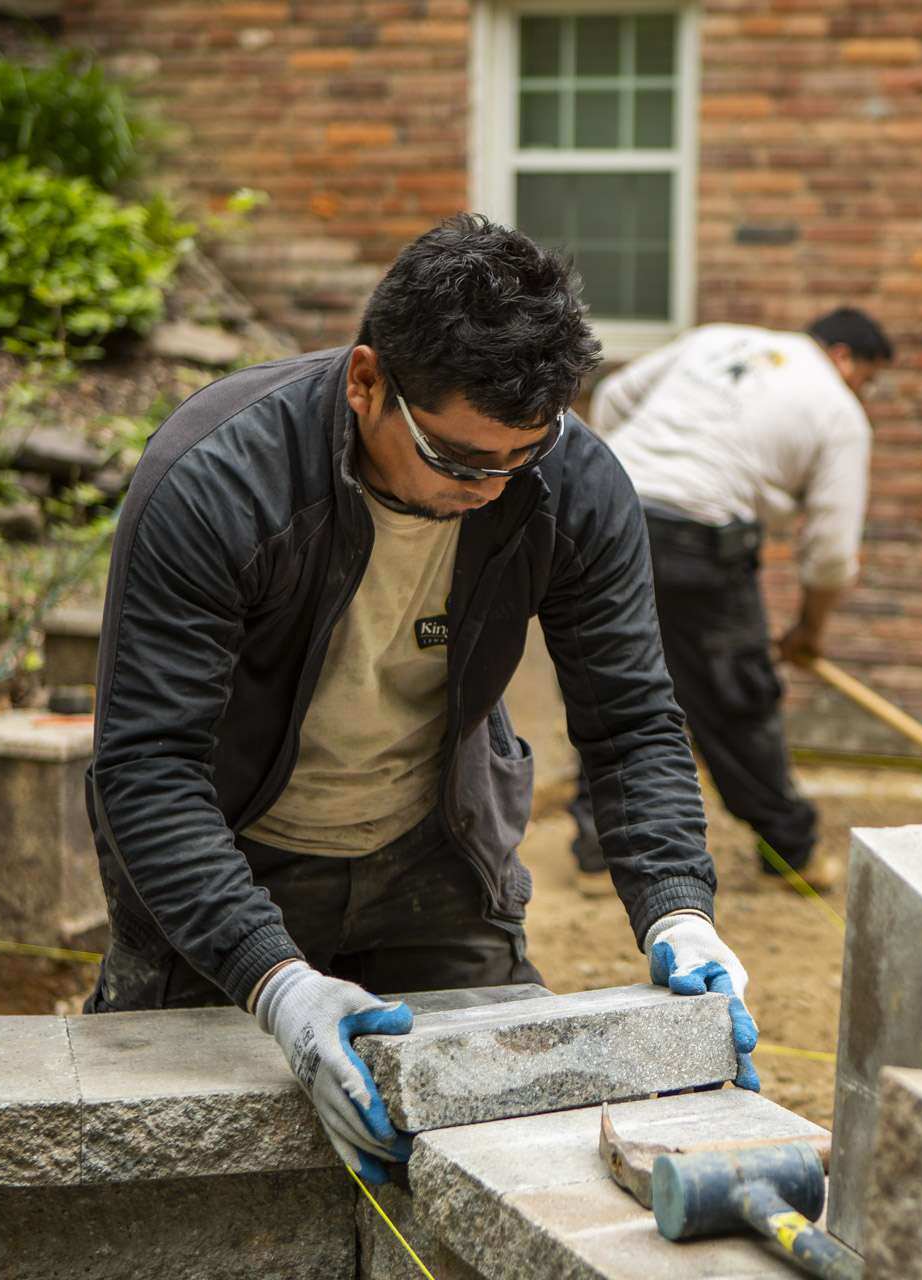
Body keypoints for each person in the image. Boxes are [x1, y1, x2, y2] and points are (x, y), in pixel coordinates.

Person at [82, 214, 758, 1185]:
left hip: (434, 862)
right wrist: (274, 980)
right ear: (367, 384)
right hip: (231, 861)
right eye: (459, 459)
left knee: (500, 1155)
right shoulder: (218, 482)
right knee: (190, 1177)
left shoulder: (567, 480)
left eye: (520, 457)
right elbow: (148, 767)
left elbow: (632, 722)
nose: (492, 490)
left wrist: (677, 911)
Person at [568, 310, 893, 891]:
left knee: (614, 678)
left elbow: (615, 393)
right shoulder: (838, 410)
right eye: (866, 378)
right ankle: (789, 853)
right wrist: (809, 632)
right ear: (844, 356)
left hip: (609, 517)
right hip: (701, 540)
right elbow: (830, 554)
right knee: (736, 697)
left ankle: (598, 852)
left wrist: (619, 473)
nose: (861, 392)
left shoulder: (718, 339)